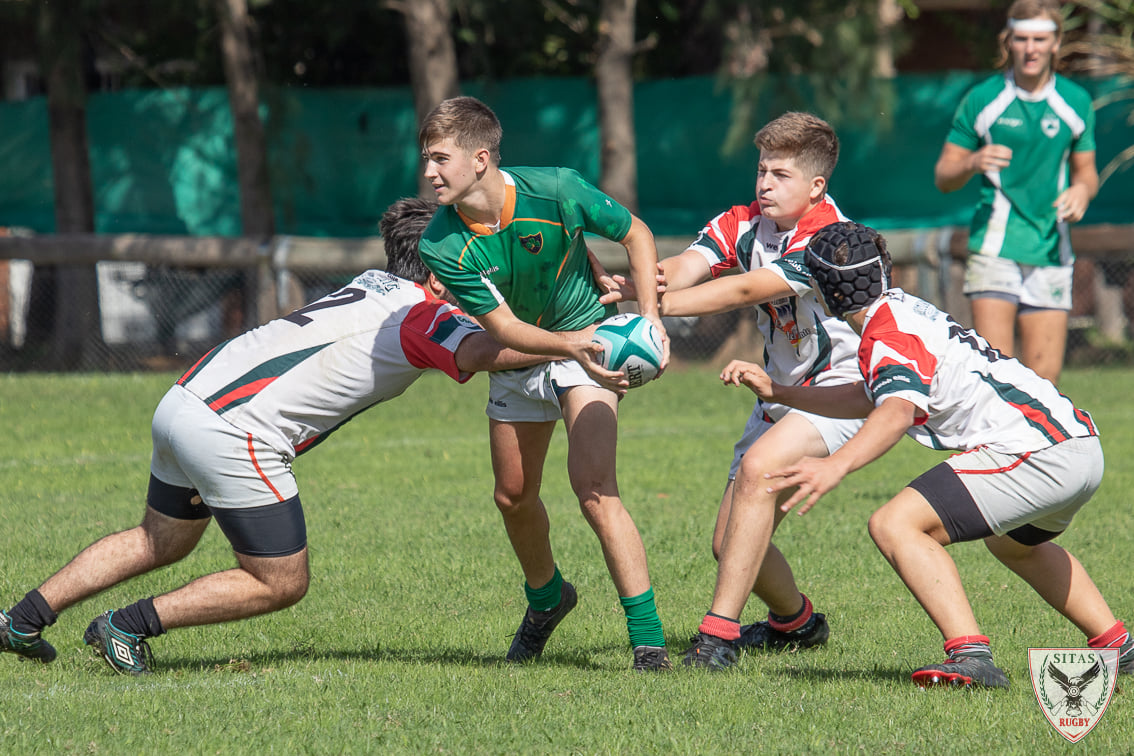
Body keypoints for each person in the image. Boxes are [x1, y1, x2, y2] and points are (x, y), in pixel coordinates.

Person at [0, 197, 568, 675]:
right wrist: (574, 342)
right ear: (438, 270)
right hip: (234, 432)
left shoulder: (375, 285)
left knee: (160, 539)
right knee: (280, 580)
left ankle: (22, 619)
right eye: (470, 260)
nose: (481, 275)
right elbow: (483, 349)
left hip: (183, 400)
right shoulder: (421, 314)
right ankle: (127, 626)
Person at [725, 221, 1133, 689]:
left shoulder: (885, 332)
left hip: (1038, 453)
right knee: (1015, 544)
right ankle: (1117, 645)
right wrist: (780, 392)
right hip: (1080, 447)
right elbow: (869, 397)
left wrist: (835, 465)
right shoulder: (896, 311)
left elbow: (896, 412)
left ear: (824, 293)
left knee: (895, 524)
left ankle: (972, 656)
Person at [595, 112, 861, 670]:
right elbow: (687, 268)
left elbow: (741, 289)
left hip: (840, 391)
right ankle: (798, 623)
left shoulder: (828, 236)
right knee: (729, 542)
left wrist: (641, 306)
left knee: (760, 471)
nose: (765, 183)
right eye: (762, 170)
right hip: (779, 398)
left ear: (816, 186)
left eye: (781, 174)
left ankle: (717, 638)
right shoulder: (743, 222)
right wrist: (640, 284)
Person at [416, 96, 673, 671]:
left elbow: (636, 233)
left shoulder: (556, 189)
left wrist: (651, 319)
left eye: (439, 159)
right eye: (426, 159)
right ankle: (548, 599)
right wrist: (569, 346)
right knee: (512, 496)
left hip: (589, 343)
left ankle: (648, 641)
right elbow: (504, 329)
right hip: (525, 352)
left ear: (480, 158)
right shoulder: (440, 242)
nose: (428, 172)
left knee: (595, 488)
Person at [934, 0, 1099, 386]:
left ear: (1056, 42)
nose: (1031, 48)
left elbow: (1087, 174)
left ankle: (1035, 449)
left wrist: (1081, 192)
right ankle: (994, 449)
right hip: (994, 248)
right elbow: (943, 176)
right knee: (995, 377)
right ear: (1008, 41)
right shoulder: (983, 99)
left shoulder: (1075, 102)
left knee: (1045, 383)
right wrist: (972, 162)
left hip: (1049, 248)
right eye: (1022, 38)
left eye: (1040, 39)